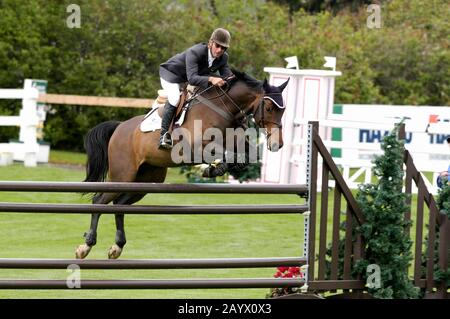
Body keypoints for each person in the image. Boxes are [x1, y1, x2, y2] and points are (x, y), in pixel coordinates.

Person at [158, 28, 233, 149]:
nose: (219, 50)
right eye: (217, 46)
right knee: (175, 98)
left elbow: (228, 76)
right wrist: (211, 79)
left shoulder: (223, 58)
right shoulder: (195, 52)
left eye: (223, 48)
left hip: (185, 79)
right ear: (210, 43)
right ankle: (163, 135)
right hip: (170, 75)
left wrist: (237, 82)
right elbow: (192, 79)